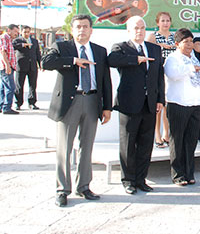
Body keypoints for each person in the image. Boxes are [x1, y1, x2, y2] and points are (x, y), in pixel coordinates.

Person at [42, 14, 112, 207]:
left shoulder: (99, 51)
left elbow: (105, 79)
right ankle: (62, 189)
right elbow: (46, 62)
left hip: (91, 100)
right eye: (78, 27)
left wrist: (107, 107)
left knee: (87, 145)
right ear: (72, 30)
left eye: (85, 26)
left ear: (91, 30)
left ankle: (84, 186)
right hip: (69, 103)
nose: (82, 30)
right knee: (64, 147)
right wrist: (73, 61)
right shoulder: (62, 48)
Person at [108, 16, 165, 194]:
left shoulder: (155, 49)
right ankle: (128, 180)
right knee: (128, 143)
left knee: (146, 143)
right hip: (129, 104)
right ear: (128, 30)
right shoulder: (121, 48)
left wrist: (160, 99)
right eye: (135, 28)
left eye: (142, 28)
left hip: (149, 103)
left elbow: (158, 76)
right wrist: (136, 59)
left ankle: (141, 179)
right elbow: (112, 60)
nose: (139, 31)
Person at [163, 28, 200, 186]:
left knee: (191, 141)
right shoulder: (173, 58)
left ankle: (189, 172)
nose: (189, 45)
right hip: (178, 104)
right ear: (177, 44)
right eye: (186, 42)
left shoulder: (194, 58)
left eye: (191, 41)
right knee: (177, 141)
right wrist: (190, 69)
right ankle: (178, 175)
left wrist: (194, 67)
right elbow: (172, 74)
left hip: (195, 104)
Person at [146, 12, 176, 149]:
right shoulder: (153, 36)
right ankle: (157, 134)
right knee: (159, 104)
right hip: (159, 70)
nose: (165, 23)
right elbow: (147, 52)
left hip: (172, 71)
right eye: (163, 20)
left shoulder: (174, 36)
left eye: (168, 20)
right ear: (158, 22)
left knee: (168, 104)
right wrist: (160, 45)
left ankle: (166, 133)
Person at [13, 25, 41, 110]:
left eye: (28, 32)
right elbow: (13, 46)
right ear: (21, 32)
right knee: (19, 85)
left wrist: (40, 64)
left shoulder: (34, 41)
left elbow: (38, 53)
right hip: (21, 66)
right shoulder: (17, 40)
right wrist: (23, 45)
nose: (26, 34)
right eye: (25, 32)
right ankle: (18, 103)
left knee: (32, 85)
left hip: (32, 66)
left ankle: (32, 102)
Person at [0, 24, 20, 114]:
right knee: (10, 87)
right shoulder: (4, 37)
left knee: (3, 87)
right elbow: (3, 52)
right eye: (15, 31)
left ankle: (2, 105)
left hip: (7, 66)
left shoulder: (9, 39)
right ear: (9, 30)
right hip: (6, 66)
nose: (16, 33)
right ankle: (7, 107)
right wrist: (7, 65)